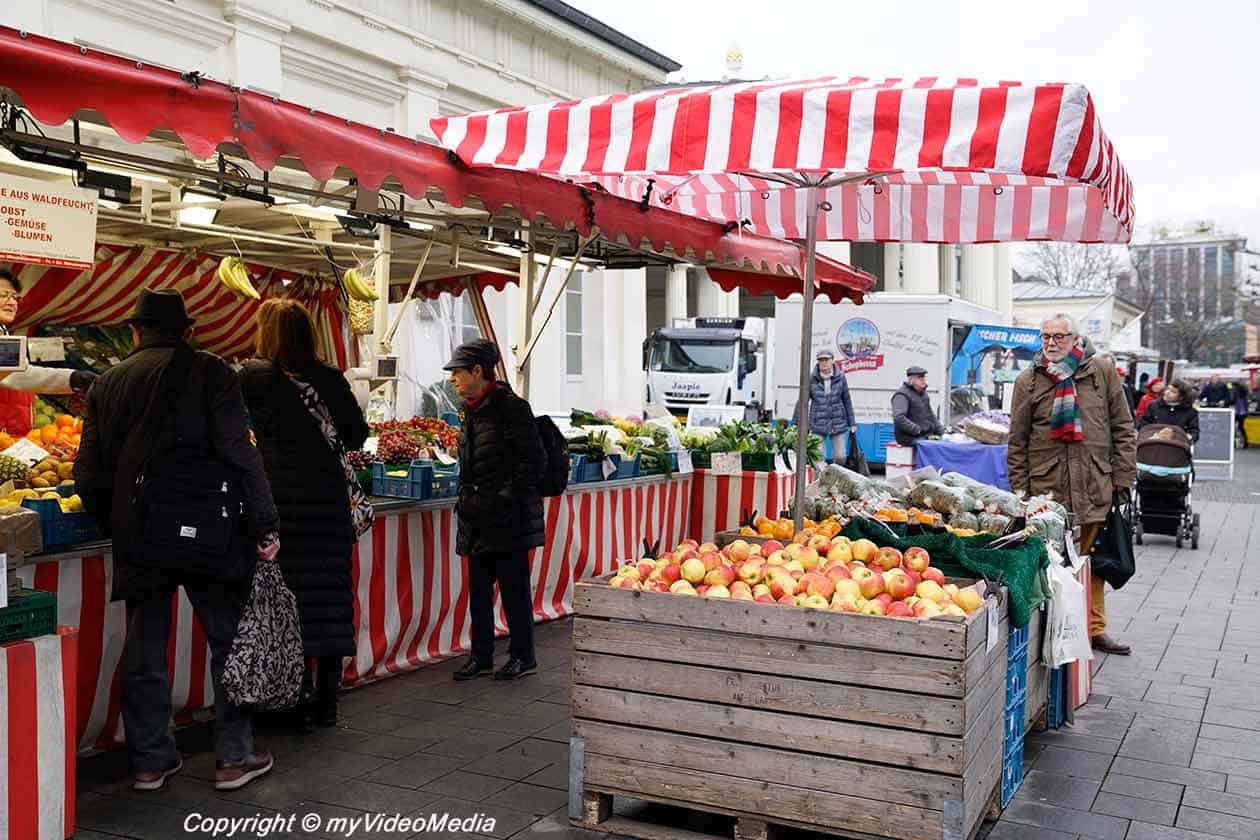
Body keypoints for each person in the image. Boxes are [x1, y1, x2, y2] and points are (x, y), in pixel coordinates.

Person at [74, 288, 279, 792]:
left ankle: (149, 761)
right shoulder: (212, 373)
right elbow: (239, 451)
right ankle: (234, 756)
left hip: (141, 535)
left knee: (145, 646)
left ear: (135, 330)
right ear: (186, 331)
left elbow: (87, 475)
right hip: (210, 531)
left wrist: (119, 519)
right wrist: (265, 520)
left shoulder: (107, 384)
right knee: (228, 640)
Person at [239, 299, 369, 731]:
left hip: (279, 501)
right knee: (329, 600)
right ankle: (326, 702)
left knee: (288, 602)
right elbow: (357, 434)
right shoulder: (328, 379)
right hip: (328, 501)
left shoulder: (252, 379)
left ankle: (292, 699)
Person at [1007, 314, 1136, 656]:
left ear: (1076, 340)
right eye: (1046, 336)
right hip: (1047, 490)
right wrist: (1020, 493)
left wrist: (1123, 478)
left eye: (1060, 336)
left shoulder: (1101, 372)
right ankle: (1055, 629)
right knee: (1051, 562)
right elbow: (1016, 441)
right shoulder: (1028, 381)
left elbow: (1123, 427)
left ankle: (1094, 629)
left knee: (1091, 561)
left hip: (1095, 483)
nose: (1051, 343)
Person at [446, 339, 546, 682]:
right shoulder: (471, 411)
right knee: (478, 590)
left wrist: (504, 501)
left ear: (478, 371)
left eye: (457, 373)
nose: (452, 380)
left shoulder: (512, 408)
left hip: (508, 518)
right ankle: (481, 656)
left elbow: (533, 462)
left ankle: (523, 656)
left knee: (514, 589)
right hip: (478, 517)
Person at [0, 267, 96, 432]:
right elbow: (18, 377)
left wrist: (73, 378)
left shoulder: (4, 334)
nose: (12, 302)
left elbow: (22, 374)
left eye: (15, 297)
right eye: (3, 296)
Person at [808, 349, 856, 463]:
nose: (824, 363)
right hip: (817, 423)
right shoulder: (812, 378)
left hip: (837, 422)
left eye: (826, 360)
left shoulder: (841, 377)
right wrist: (796, 423)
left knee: (840, 456)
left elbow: (847, 400)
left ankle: (836, 478)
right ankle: (820, 480)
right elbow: (802, 401)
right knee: (817, 458)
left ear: (832, 361)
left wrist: (852, 423)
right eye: (821, 360)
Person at [890, 365, 944, 447]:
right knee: (933, 448)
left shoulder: (923, 395)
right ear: (911, 380)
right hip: (909, 438)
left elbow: (930, 415)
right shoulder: (901, 395)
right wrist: (917, 430)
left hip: (923, 436)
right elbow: (899, 417)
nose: (923, 380)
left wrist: (941, 431)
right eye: (920, 378)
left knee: (944, 444)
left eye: (923, 377)